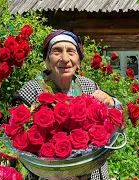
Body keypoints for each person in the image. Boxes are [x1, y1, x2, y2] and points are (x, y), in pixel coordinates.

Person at [13, 29, 122, 180]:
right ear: (47, 60)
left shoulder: (89, 87)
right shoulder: (30, 92)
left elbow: (120, 124)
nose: (65, 58)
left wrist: (112, 103)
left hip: (92, 173)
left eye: (71, 52)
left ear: (79, 61)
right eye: (57, 52)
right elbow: (17, 146)